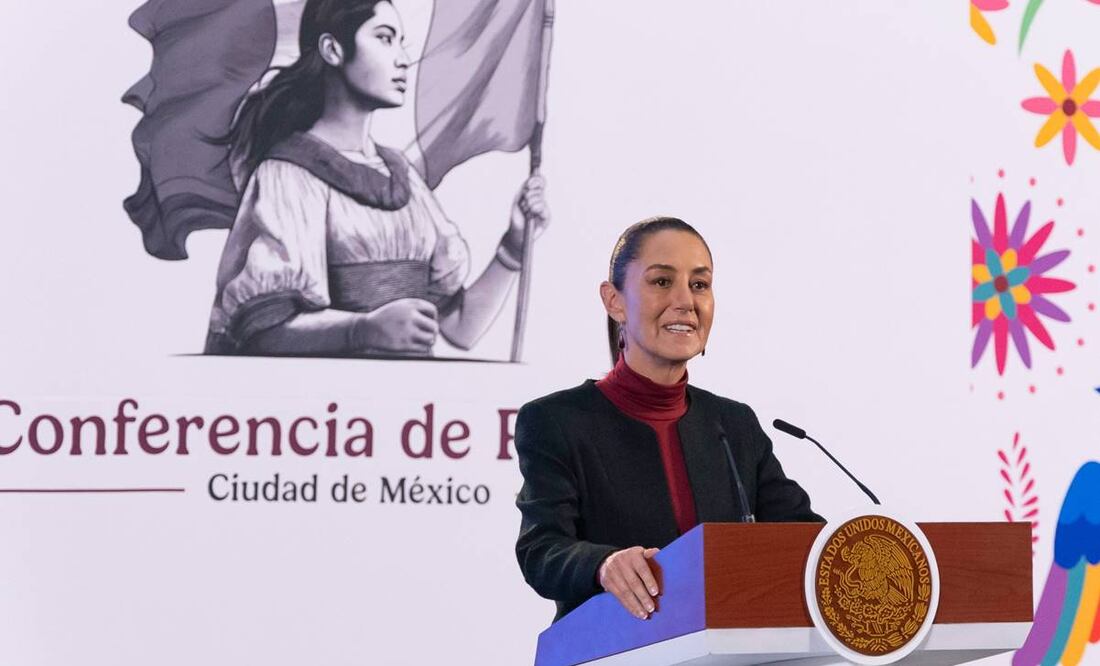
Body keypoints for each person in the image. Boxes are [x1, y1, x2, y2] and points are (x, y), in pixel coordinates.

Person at [514, 216, 822, 623]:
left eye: (699, 285)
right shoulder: (556, 421)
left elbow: (804, 538)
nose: (685, 301)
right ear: (614, 301)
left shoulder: (734, 424)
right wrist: (603, 565)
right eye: (662, 282)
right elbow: (542, 549)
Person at [204, 0, 548, 355]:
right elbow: (263, 333)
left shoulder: (403, 178)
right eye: (384, 39)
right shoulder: (288, 175)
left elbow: (461, 329)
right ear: (332, 49)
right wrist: (362, 330)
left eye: (402, 43)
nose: (402, 59)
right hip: (331, 406)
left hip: (411, 405)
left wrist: (514, 245)